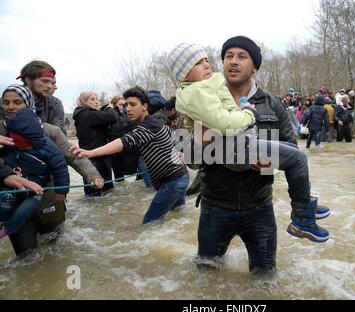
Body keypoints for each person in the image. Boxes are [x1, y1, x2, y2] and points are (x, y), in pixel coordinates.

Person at [170, 37, 330, 273]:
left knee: (264, 276)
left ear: (254, 66)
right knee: (205, 275)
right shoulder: (201, 98)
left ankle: (303, 212)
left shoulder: (272, 103)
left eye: (241, 56)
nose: (233, 62)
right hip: (214, 206)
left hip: (259, 208)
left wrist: (266, 164)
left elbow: (290, 149)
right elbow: (191, 162)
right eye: (228, 56)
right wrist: (200, 141)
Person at [71, 87, 190, 224]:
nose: (128, 109)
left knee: (149, 223)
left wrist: (90, 152)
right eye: (127, 105)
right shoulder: (152, 122)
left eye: (133, 105)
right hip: (180, 176)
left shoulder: (147, 126)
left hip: (172, 181)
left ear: (145, 106)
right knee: (179, 216)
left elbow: (123, 142)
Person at [0, 86, 69, 239]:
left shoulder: (49, 133)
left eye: (17, 102)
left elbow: (65, 162)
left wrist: (62, 190)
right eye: (6, 102)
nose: (10, 107)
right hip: (13, 189)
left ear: (28, 103)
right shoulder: (5, 135)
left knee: (53, 237)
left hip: (43, 193)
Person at [73, 92, 117, 196]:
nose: (96, 101)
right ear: (84, 102)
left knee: (96, 194)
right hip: (95, 158)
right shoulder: (88, 114)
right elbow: (112, 116)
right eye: (92, 99)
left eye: (96, 99)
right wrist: (110, 108)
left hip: (92, 156)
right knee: (102, 193)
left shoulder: (84, 114)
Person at [16, 60, 67, 135]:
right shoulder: (7, 101)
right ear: (28, 80)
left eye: (51, 82)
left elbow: (58, 135)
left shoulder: (55, 103)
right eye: (45, 81)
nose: (50, 86)